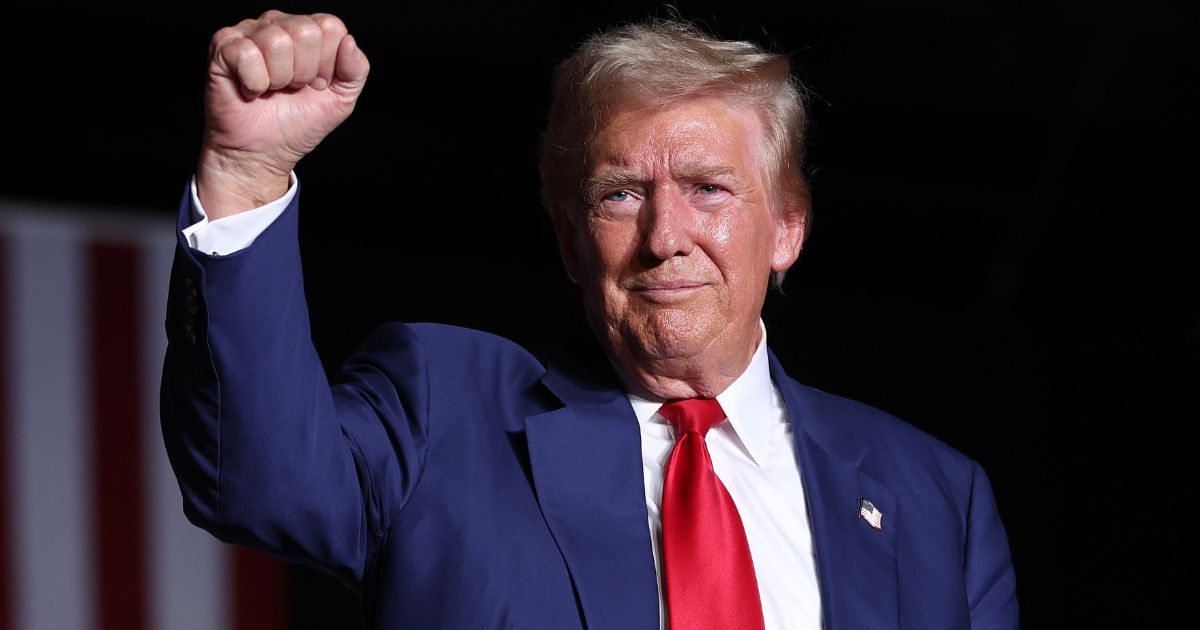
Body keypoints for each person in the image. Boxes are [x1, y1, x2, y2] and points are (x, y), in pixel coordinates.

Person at [161, 9, 1019, 630]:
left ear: (787, 228)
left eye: (708, 188)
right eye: (621, 195)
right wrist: (245, 173)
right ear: (571, 243)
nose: (664, 237)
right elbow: (253, 480)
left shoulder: (935, 497)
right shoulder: (443, 414)